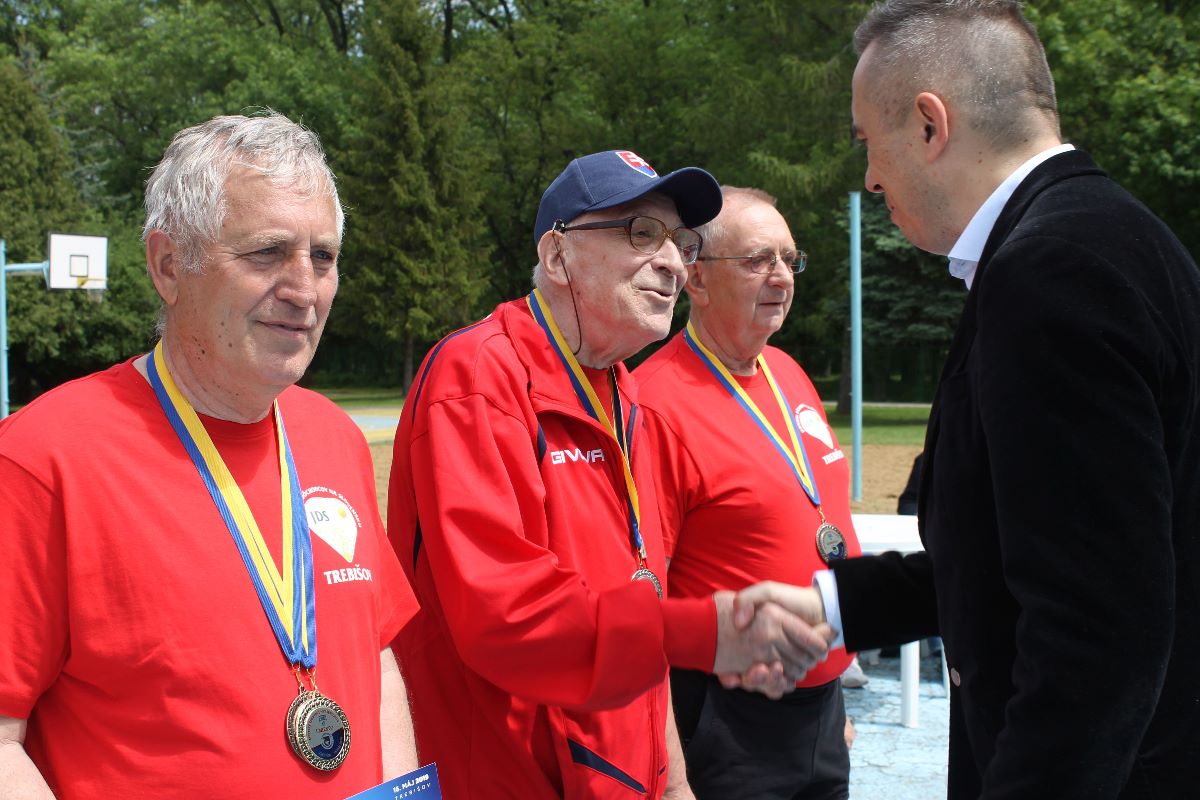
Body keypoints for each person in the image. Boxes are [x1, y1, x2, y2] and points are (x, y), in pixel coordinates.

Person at [735, 1, 1200, 797]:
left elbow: (1095, 629)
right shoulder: (1118, 238)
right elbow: (1042, 552)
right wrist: (836, 604)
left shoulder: (1049, 271)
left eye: (867, 142)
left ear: (929, 125)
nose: (870, 176)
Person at [387, 150, 834, 799]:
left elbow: (643, 602)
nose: (673, 262)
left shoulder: (624, 393)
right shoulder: (479, 378)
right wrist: (706, 633)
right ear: (557, 256)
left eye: (681, 243)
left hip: (623, 775)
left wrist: (672, 780)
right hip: (514, 778)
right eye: (641, 233)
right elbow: (509, 619)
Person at [0, 112, 420, 798]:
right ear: (169, 266)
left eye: (322, 257)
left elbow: (376, 663)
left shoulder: (334, 437)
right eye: (267, 253)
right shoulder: (42, 462)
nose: (304, 290)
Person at [635, 186, 862, 800]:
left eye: (789, 259)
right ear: (697, 278)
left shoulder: (787, 372)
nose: (782, 277)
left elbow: (821, 525)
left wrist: (834, 694)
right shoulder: (653, 404)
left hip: (820, 712)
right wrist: (670, 771)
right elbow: (644, 601)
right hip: (726, 717)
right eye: (758, 259)